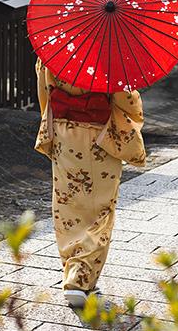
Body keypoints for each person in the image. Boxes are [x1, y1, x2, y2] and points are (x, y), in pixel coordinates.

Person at [35, 59, 146, 308]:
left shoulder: (53, 49)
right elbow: (127, 99)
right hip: (100, 135)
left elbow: (45, 92)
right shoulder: (108, 52)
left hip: (64, 134)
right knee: (100, 210)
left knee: (68, 206)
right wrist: (135, 108)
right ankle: (81, 278)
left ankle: (72, 270)